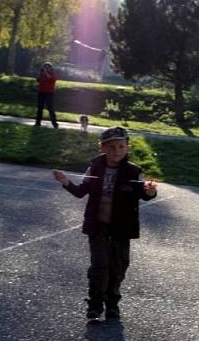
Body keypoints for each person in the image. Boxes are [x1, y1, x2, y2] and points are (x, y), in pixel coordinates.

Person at [52, 127, 158, 321]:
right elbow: (80, 191)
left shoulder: (134, 171)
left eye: (120, 146)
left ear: (127, 148)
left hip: (122, 228)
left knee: (118, 267)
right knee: (99, 266)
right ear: (102, 148)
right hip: (98, 225)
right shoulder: (95, 167)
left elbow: (143, 193)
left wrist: (150, 192)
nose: (115, 151)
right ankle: (95, 305)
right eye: (110, 147)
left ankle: (112, 304)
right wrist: (66, 182)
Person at [35, 62, 59, 128]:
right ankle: (38, 123)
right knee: (40, 108)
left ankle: (54, 124)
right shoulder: (42, 74)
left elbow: (49, 78)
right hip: (41, 92)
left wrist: (45, 72)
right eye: (45, 67)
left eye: (48, 67)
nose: (46, 68)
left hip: (49, 93)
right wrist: (40, 74)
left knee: (50, 108)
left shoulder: (53, 74)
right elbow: (38, 80)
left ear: (51, 68)